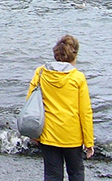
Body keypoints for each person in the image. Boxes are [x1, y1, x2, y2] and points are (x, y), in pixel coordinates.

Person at [26, 35, 94, 181]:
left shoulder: (41, 72)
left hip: (48, 134)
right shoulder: (78, 77)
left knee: (52, 175)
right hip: (72, 137)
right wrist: (89, 142)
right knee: (76, 174)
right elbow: (85, 112)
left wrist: (34, 133)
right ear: (74, 54)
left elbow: (30, 104)